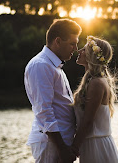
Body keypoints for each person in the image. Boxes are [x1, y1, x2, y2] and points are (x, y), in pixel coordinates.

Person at [24, 19, 82, 163]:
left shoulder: (54, 66)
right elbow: (44, 110)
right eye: (72, 44)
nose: (75, 49)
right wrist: (62, 148)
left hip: (59, 141)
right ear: (57, 41)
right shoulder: (41, 66)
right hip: (51, 143)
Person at [72, 36, 118, 163]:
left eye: (83, 49)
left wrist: (73, 148)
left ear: (91, 55)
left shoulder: (97, 83)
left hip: (97, 146)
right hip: (92, 143)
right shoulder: (94, 81)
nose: (79, 51)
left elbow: (88, 121)